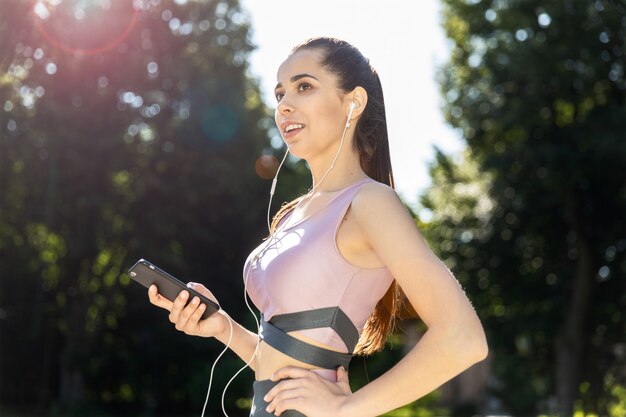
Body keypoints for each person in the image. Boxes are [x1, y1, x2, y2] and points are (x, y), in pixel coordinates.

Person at [148, 37, 488, 417]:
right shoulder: (293, 214)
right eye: (279, 94)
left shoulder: (369, 203)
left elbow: (463, 338)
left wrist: (349, 409)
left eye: (304, 86)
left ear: (353, 102)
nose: (284, 105)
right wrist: (221, 327)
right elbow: (281, 364)